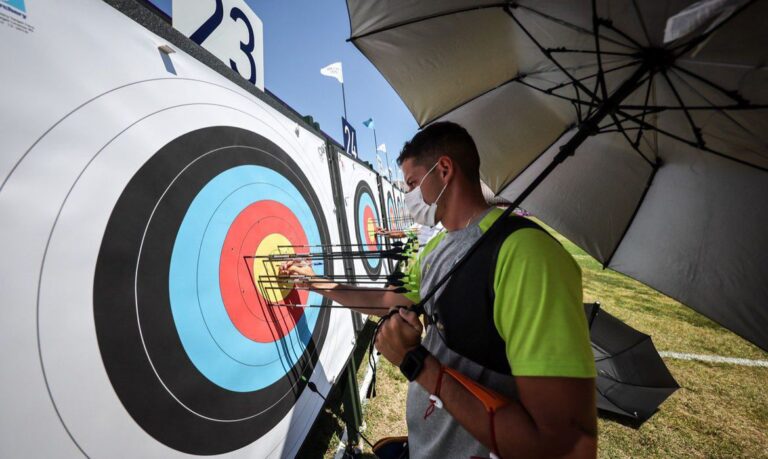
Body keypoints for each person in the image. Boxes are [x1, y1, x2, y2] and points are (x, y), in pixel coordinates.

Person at [281, 122, 597, 458]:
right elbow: (385, 301)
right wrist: (315, 280)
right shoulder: (436, 249)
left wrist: (416, 363)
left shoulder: (527, 254)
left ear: (444, 170)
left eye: (413, 184)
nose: (409, 197)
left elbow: (565, 446)